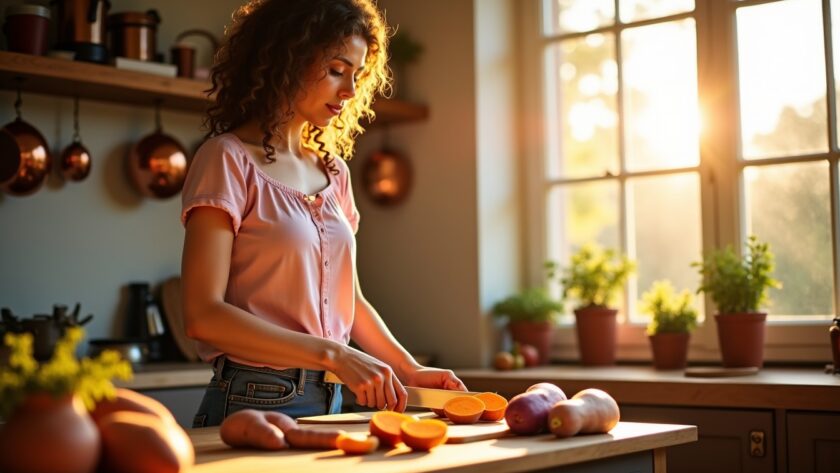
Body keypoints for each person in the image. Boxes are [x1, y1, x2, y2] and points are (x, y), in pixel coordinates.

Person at [180, 0, 467, 427]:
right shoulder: (227, 159)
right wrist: (334, 353)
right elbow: (202, 315)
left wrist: (408, 369)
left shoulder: (334, 173)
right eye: (336, 69)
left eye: (356, 74)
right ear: (285, 58)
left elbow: (351, 299)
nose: (350, 90)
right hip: (251, 400)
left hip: (329, 401)